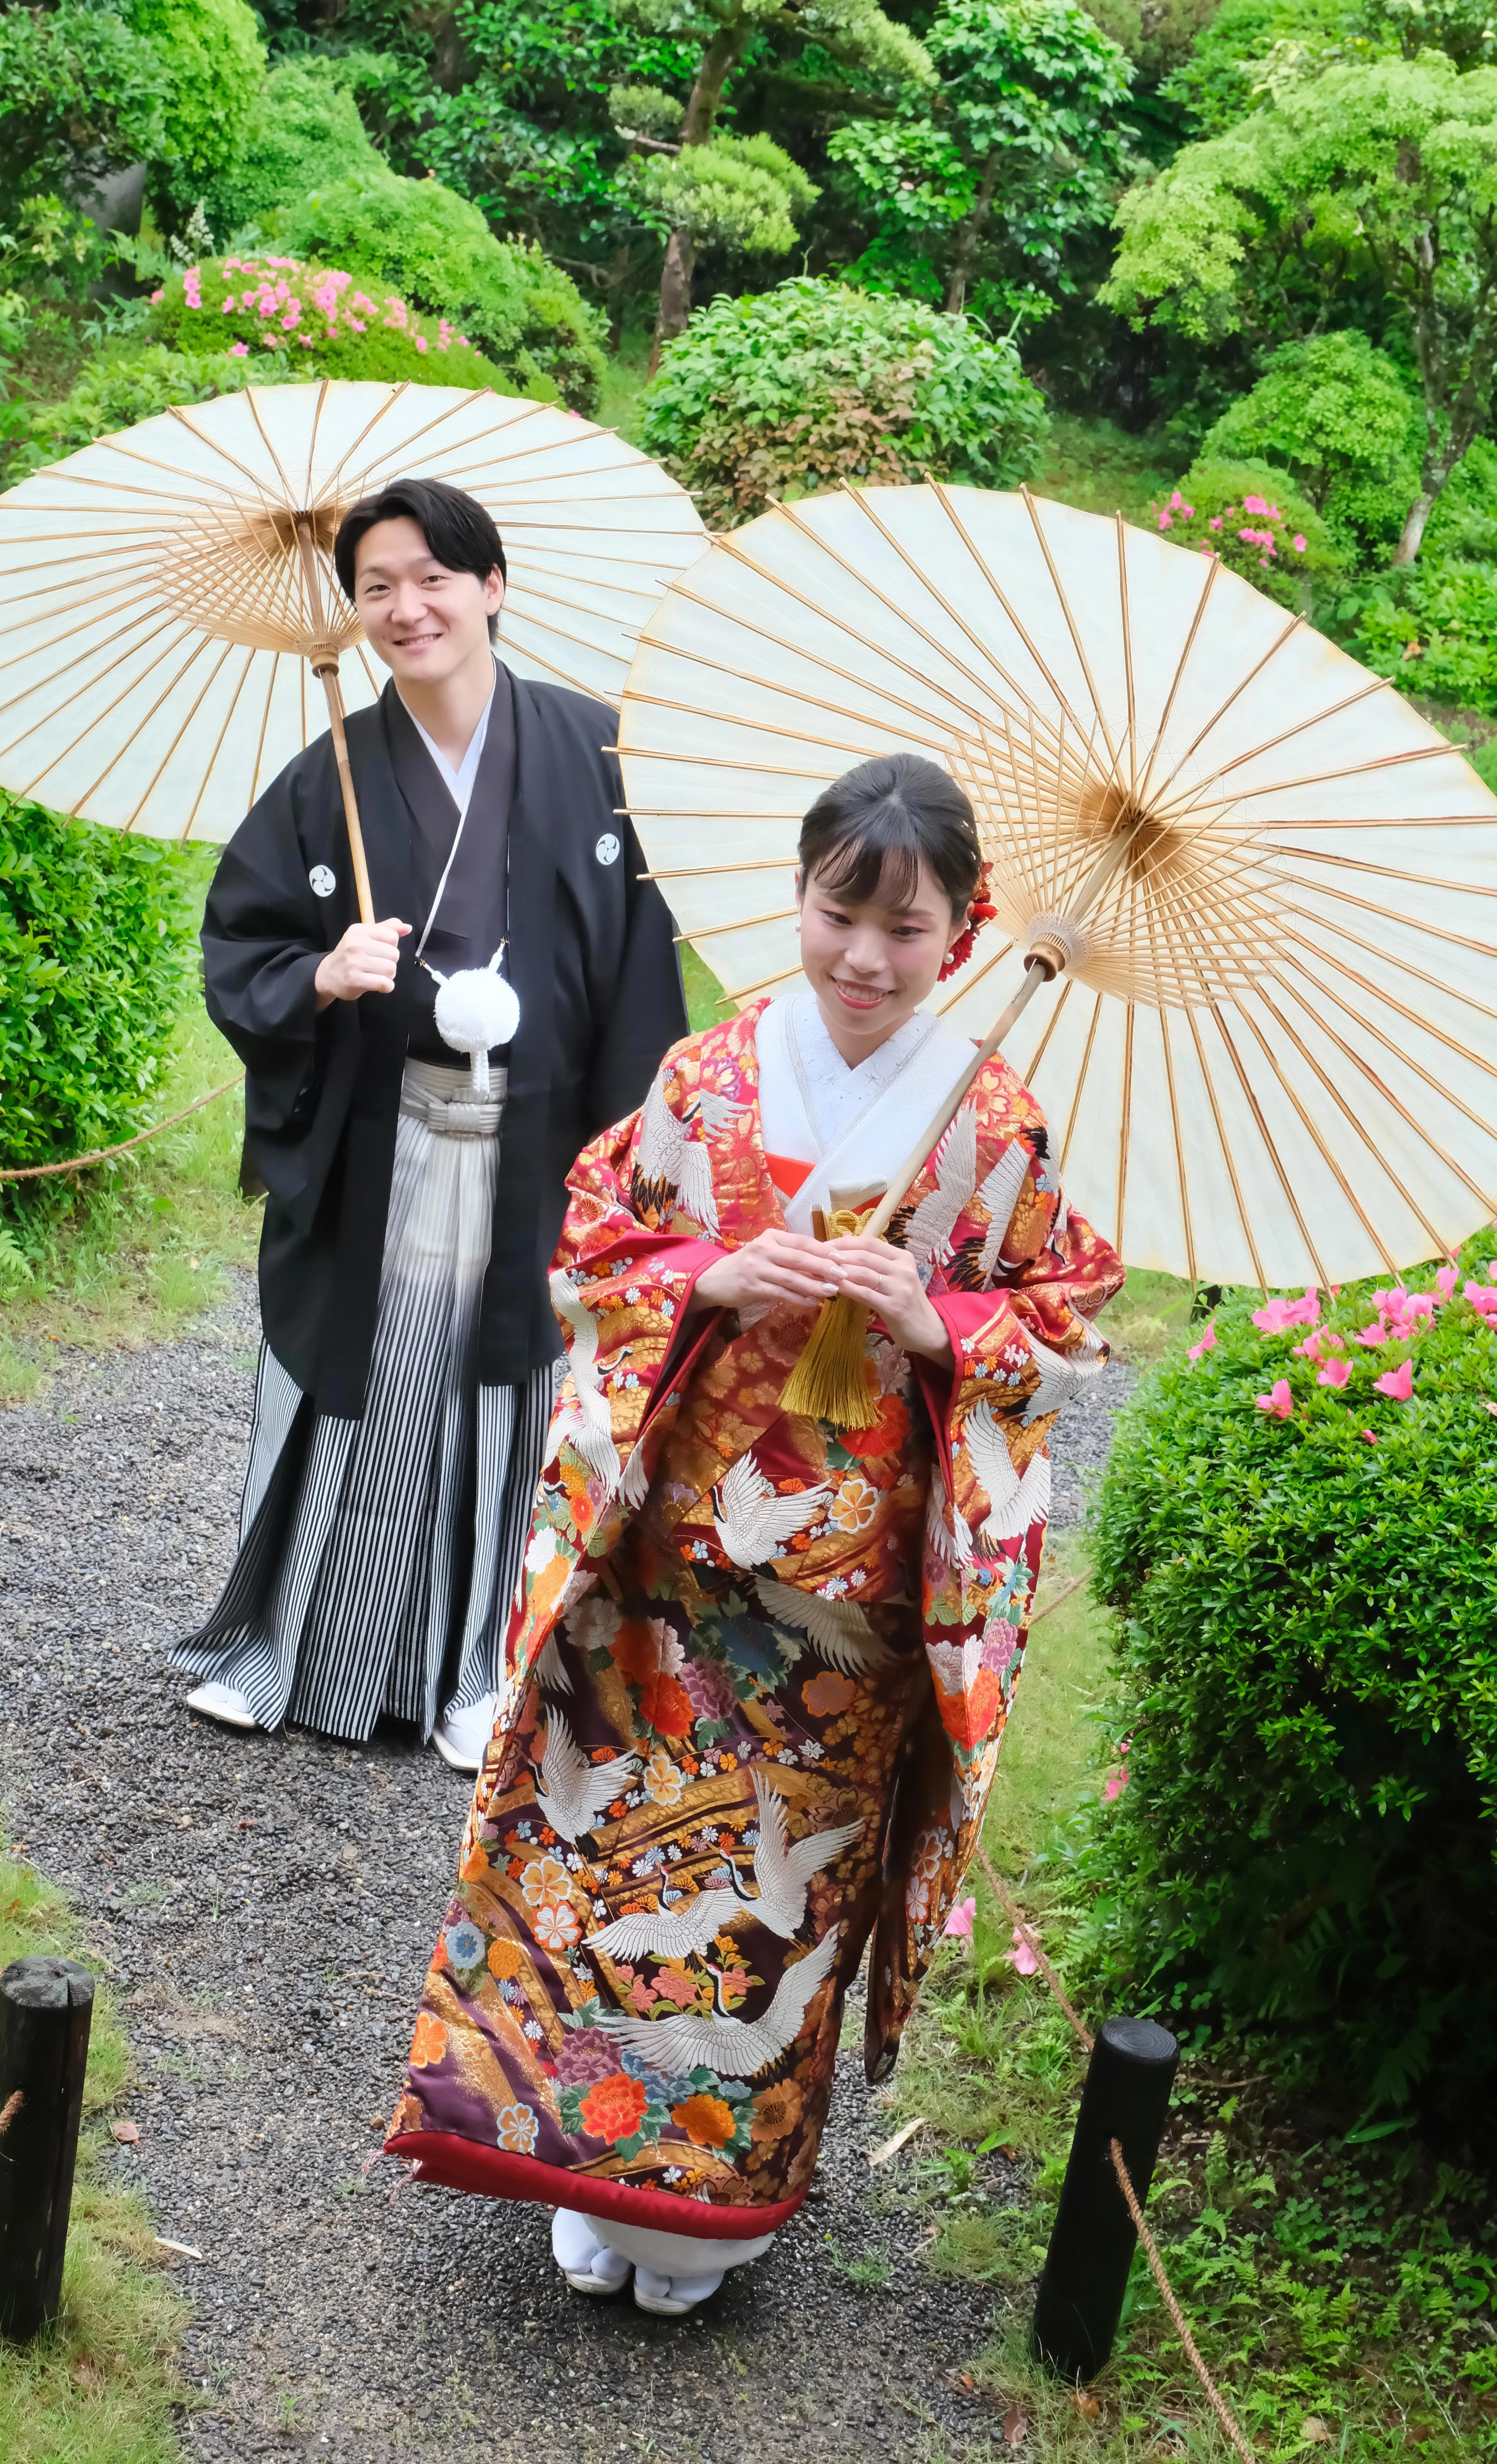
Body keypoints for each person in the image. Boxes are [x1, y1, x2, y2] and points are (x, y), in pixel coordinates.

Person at [384, 751, 1123, 2312]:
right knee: (598, 1869)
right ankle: (577, 2173)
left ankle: (713, 2214)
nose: (864, 958)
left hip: (845, 1615)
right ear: (796, 898)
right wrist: (707, 1282)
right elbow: (599, 1242)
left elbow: (1068, 1324)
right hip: (658, 1571)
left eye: (906, 931)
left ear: (963, 933)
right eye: (839, 914)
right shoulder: (707, 1077)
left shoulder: (997, 1124)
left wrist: (941, 1317)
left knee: (766, 1924)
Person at [171, 477, 688, 1769]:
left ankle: (479, 1672)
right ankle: (291, 1649)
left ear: (492, 586)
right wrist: (318, 977)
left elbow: (638, 976)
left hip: (539, 1140)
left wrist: (631, 1167)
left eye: (432, 578)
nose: (407, 609)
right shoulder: (330, 774)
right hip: (385, 1143)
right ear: (354, 614)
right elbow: (243, 941)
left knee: (503, 1396)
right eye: (377, 589)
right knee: (373, 1380)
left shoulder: (596, 752)